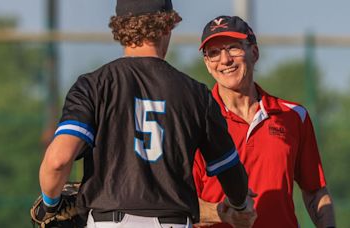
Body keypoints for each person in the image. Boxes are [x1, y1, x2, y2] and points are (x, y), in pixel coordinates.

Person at [35, 1, 254, 227]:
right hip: (174, 222)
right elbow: (230, 170)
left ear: (119, 27)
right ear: (168, 26)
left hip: (109, 221)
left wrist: (50, 205)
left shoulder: (93, 85)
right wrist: (239, 204)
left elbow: (58, 161)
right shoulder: (196, 93)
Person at [193, 15, 336, 228]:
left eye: (233, 48)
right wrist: (223, 213)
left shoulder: (294, 116)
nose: (224, 60)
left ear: (254, 52)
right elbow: (180, 203)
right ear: (207, 63)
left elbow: (315, 191)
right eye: (213, 53)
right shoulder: (194, 120)